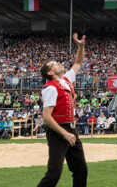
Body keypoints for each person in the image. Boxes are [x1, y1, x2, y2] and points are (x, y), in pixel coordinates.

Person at [38, 33, 87, 187]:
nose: (58, 63)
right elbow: (46, 117)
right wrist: (65, 133)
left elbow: (78, 63)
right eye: (53, 64)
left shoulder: (65, 80)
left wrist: (81, 47)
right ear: (50, 73)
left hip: (71, 130)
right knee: (54, 173)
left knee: (81, 170)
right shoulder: (50, 88)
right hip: (59, 133)